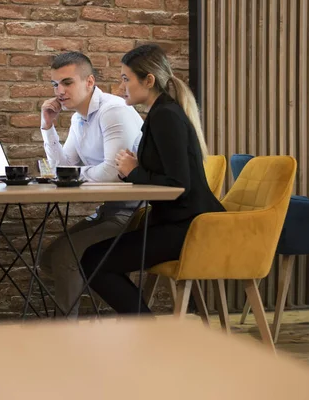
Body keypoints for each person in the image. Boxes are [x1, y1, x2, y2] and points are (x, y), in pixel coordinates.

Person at [80, 44, 226, 314]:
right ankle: (143, 332)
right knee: (94, 257)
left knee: (94, 260)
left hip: (190, 228)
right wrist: (131, 168)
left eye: (126, 78)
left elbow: (178, 185)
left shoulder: (166, 116)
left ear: (148, 80)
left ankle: (147, 335)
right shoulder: (161, 114)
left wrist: (133, 170)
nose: (121, 85)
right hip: (179, 222)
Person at [38, 52, 144, 317]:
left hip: (136, 213)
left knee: (64, 257)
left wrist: (77, 174)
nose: (59, 91)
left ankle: (67, 335)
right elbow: (61, 170)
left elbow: (113, 173)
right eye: (55, 85)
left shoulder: (113, 110)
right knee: (49, 258)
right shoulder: (78, 118)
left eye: (67, 82)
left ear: (89, 82)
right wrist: (48, 127)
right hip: (110, 210)